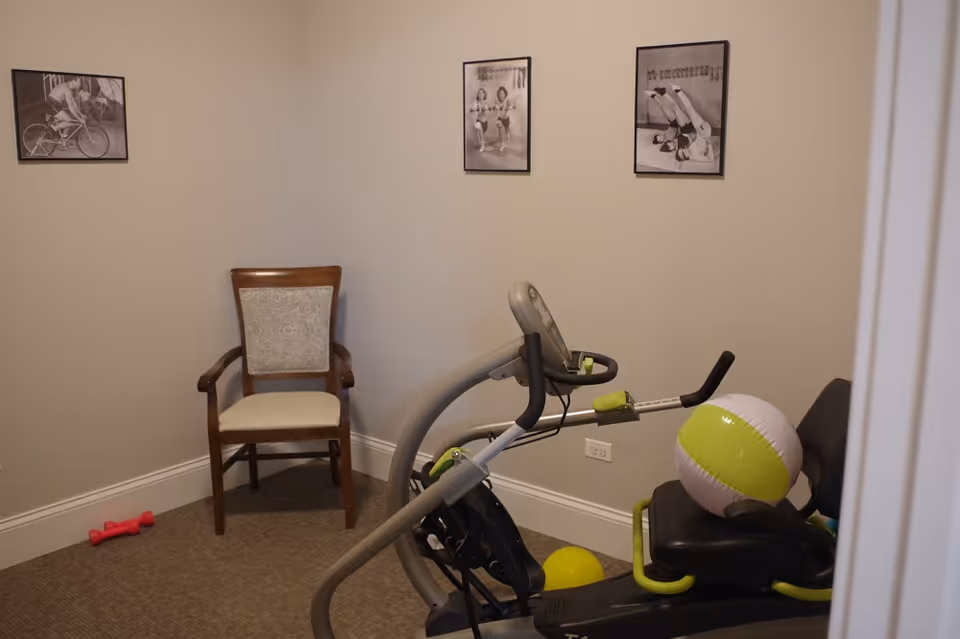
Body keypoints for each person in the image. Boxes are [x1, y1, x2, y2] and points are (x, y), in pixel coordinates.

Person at [644, 85, 715, 163]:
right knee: (677, 109)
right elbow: (693, 139)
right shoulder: (691, 153)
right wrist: (708, 143)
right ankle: (662, 94)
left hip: (680, 127)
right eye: (670, 147)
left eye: (669, 144)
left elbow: (683, 138)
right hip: (688, 129)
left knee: (669, 110)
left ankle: (657, 95)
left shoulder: (673, 141)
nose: (684, 150)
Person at [494, 86, 515, 152]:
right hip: (500, 118)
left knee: (506, 132)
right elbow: (495, 106)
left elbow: (512, 107)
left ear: (505, 94)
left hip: (506, 118)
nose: (501, 95)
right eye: (500, 94)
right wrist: (496, 107)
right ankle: (502, 144)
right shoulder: (497, 100)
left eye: (503, 94)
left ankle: (508, 131)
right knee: (499, 126)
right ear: (498, 94)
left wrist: (508, 108)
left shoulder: (507, 100)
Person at [469, 88, 490, 153]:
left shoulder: (486, 101)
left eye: (482, 93)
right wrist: (474, 108)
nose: (481, 94)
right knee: (479, 127)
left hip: (485, 122)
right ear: (478, 94)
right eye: (480, 93)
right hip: (478, 121)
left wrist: (485, 109)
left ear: (484, 94)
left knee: (481, 135)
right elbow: (473, 108)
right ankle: (483, 146)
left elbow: (487, 110)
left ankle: (480, 140)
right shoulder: (476, 102)